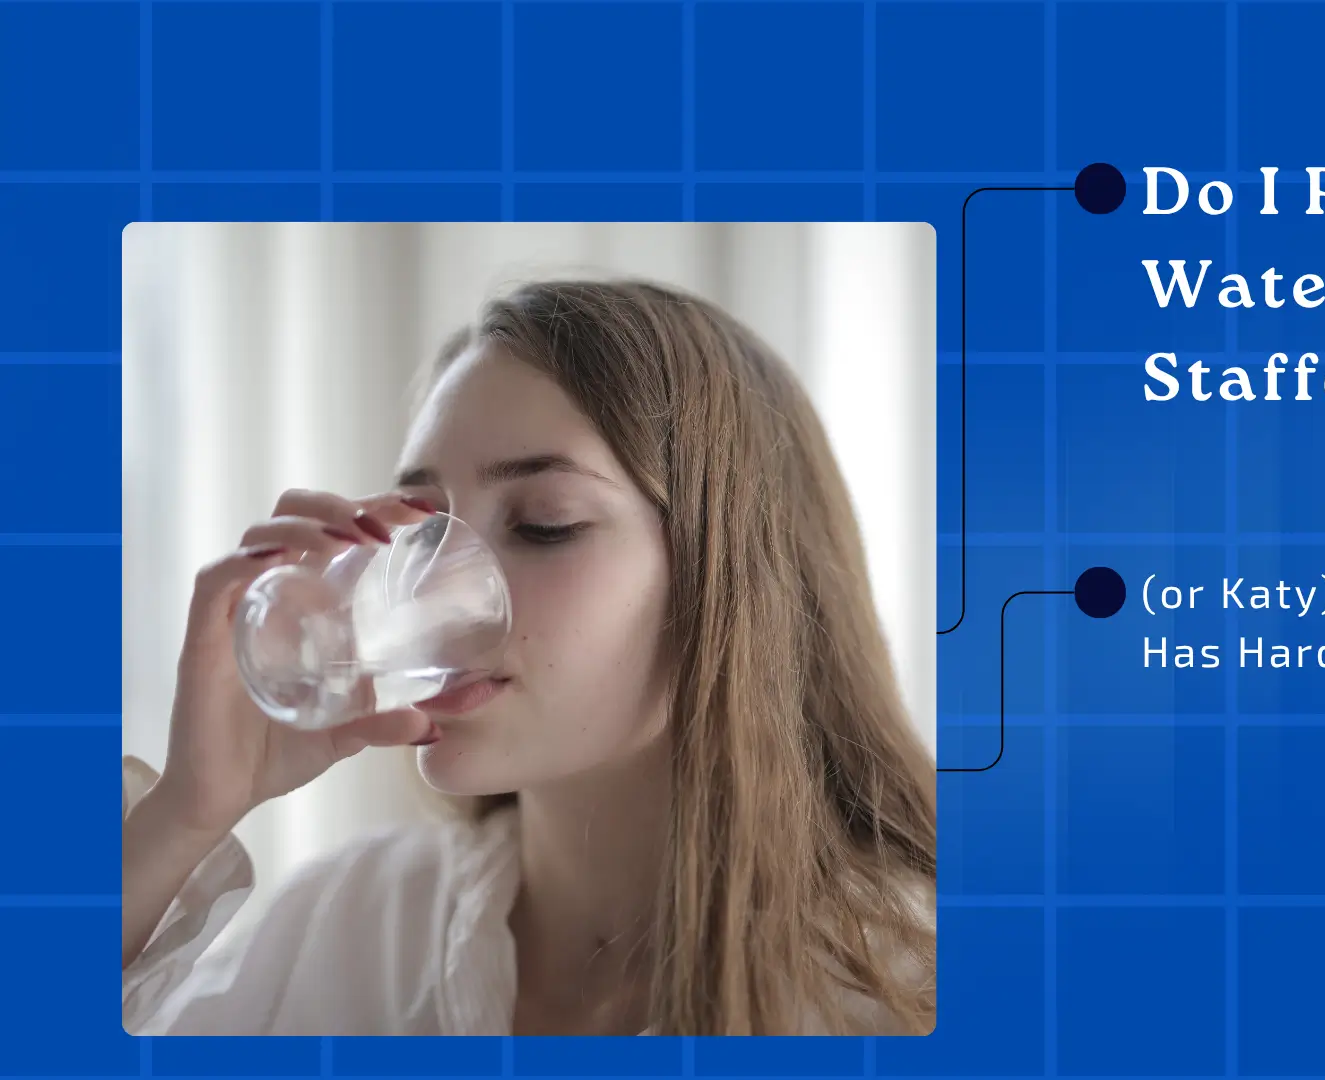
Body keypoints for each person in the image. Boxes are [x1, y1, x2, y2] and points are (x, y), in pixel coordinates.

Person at [120, 279, 937, 1036]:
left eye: (544, 523)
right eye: (421, 526)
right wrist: (187, 813)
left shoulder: (909, 993)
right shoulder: (351, 926)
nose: (433, 586)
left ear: (734, 579)